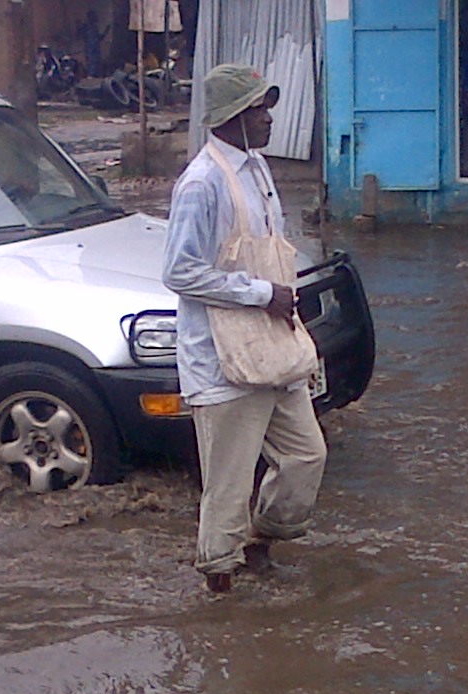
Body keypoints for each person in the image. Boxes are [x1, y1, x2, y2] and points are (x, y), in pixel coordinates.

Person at [162, 64, 327, 594]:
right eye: (259, 108)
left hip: (272, 346)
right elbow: (180, 272)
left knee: (306, 455)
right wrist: (261, 294)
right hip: (222, 357)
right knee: (228, 485)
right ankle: (220, 586)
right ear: (232, 117)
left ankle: (262, 541)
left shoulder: (257, 170)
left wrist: (282, 302)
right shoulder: (200, 184)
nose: (269, 118)